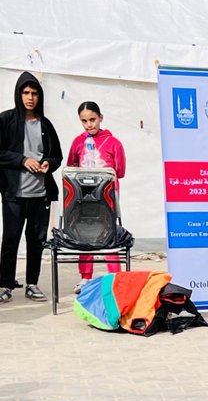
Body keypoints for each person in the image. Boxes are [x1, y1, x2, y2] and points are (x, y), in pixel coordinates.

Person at [0, 72, 62, 304]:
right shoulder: (5, 121)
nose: (30, 97)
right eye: (26, 93)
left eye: (34, 93)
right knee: (11, 239)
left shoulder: (45, 124)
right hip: (14, 194)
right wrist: (22, 160)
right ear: (18, 94)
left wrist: (49, 164)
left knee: (37, 240)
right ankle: (5, 284)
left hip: (41, 194)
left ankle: (32, 284)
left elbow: (57, 155)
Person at [67, 100, 127, 293]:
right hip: (83, 196)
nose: (89, 124)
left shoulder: (114, 142)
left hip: (107, 196)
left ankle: (114, 277)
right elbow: (71, 167)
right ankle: (85, 277)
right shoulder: (77, 142)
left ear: (101, 118)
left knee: (109, 233)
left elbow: (121, 171)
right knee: (83, 232)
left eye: (92, 119)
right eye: (84, 121)